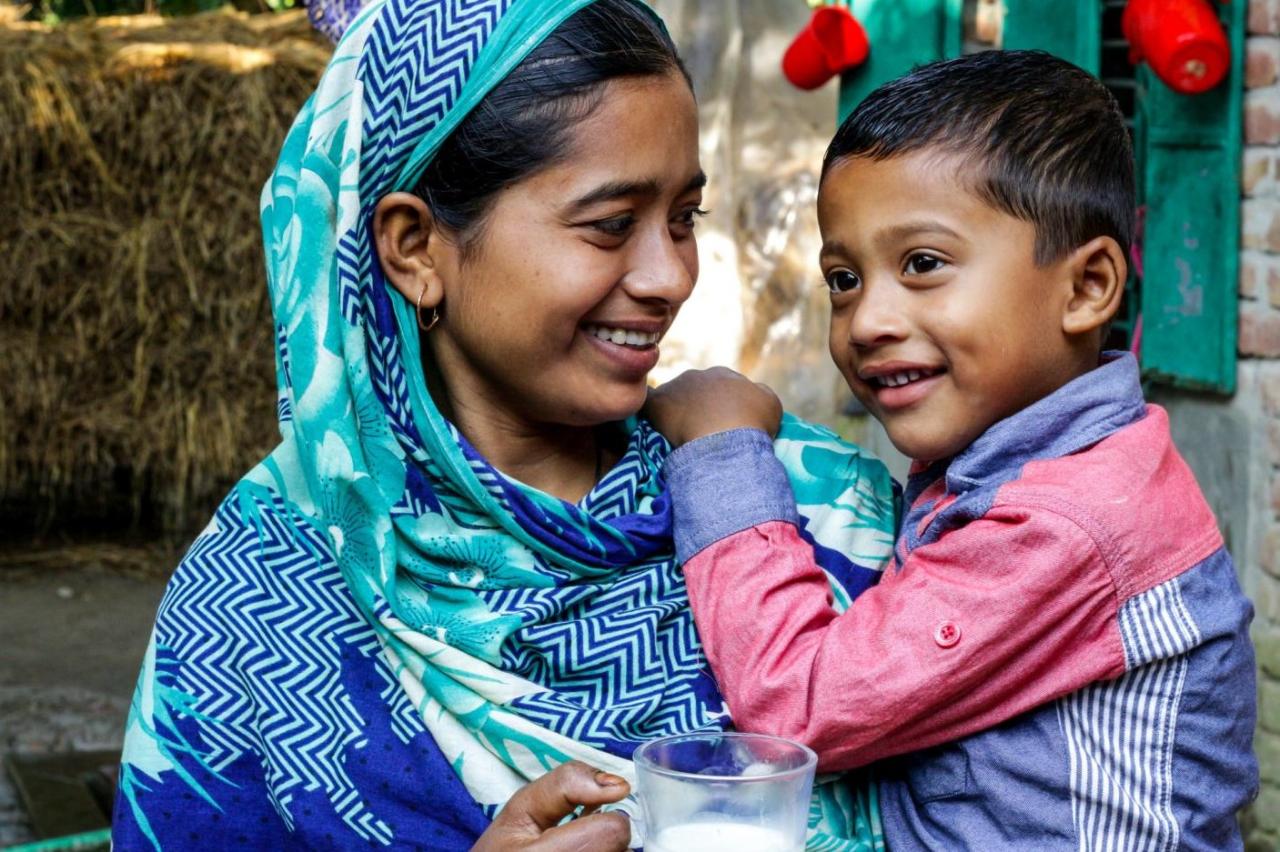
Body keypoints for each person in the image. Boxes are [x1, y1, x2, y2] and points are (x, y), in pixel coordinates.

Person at [110, 0, 898, 849]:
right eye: (609, 225)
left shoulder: (806, 507)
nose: (672, 276)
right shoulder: (262, 597)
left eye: (683, 218)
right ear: (416, 247)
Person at [648, 50, 1259, 850]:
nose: (867, 321)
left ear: (1087, 289)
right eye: (844, 279)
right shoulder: (1027, 464)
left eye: (923, 264)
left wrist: (721, 451)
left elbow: (796, 710)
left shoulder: (1066, 520)